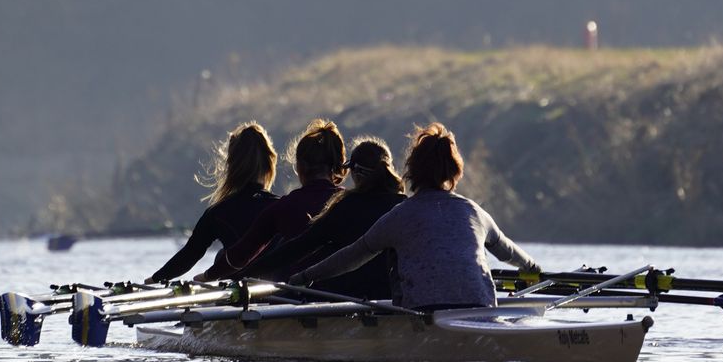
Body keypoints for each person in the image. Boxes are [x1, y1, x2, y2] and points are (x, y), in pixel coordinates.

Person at [289, 123, 541, 311]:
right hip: (482, 309)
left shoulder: (400, 216)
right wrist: (534, 269)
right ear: (455, 171)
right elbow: (510, 252)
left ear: (412, 170)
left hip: (425, 314)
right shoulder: (474, 212)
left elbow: (351, 257)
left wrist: (304, 277)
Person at [221, 137, 407, 300]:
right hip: (393, 301)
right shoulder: (404, 206)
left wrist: (245, 274)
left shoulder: (346, 206)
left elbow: (300, 247)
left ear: (355, 172)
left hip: (347, 303)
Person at [194, 119, 346, 281]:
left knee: (222, 256)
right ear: (337, 165)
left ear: (300, 166)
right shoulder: (352, 202)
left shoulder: (283, 207)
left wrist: (206, 277)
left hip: (297, 297)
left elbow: (239, 256)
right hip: (350, 297)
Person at [143, 123, 279, 284]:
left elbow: (189, 255)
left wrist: (154, 279)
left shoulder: (218, 212)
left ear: (231, 165)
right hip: (281, 291)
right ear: (269, 164)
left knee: (222, 255)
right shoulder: (282, 206)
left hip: (237, 291)